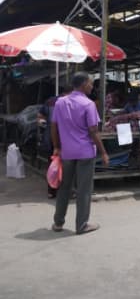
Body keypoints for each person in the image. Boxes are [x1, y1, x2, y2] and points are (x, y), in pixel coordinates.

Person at [51, 72, 109, 235]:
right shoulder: (88, 104)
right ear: (83, 84)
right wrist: (104, 152)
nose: (92, 86)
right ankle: (82, 225)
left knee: (65, 188)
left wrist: (57, 146)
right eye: (90, 83)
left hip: (67, 152)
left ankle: (58, 223)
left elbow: (53, 127)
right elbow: (93, 131)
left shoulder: (60, 102)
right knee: (84, 190)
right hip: (85, 152)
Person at [38, 86, 72, 199]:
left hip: (50, 139)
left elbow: (40, 116)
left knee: (53, 165)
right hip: (65, 139)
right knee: (67, 166)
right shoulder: (70, 102)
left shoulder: (50, 101)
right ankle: (65, 191)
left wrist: (43, 123)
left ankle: (51, 191)